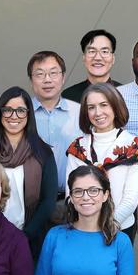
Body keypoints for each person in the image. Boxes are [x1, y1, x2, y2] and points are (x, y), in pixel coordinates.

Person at [0, 87, 56, 254]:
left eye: (20, 111)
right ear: (0, 113)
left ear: (29, 115)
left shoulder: (43, 153)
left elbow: (48, 201)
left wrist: (24, 236)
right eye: (8, 110)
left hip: (29, 240)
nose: (14, 116)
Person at [65, 83, 138, 239]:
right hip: (82, 229)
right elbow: (71, 194)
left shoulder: (134, 146)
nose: (98, 113)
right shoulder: (77, 148)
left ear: (115, 107)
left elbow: (130, 199)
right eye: (91, 107)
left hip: (120, 228)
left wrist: (107, 226)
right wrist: (88, 227)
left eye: (104, 105)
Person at [29, 50, 81, 197]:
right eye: (40, 74)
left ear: (63, 77)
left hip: (71, 199)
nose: (47, 80)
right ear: (31, 80)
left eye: (53, 73)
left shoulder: (80, 113)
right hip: (31, 201)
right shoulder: (21, 114)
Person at [61, 29, 121, 104]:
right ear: (84, 58)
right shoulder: (68, 96)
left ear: (113, 59)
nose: (98, 58)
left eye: (104, 51)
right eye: (92, 51)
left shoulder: (126, 94)